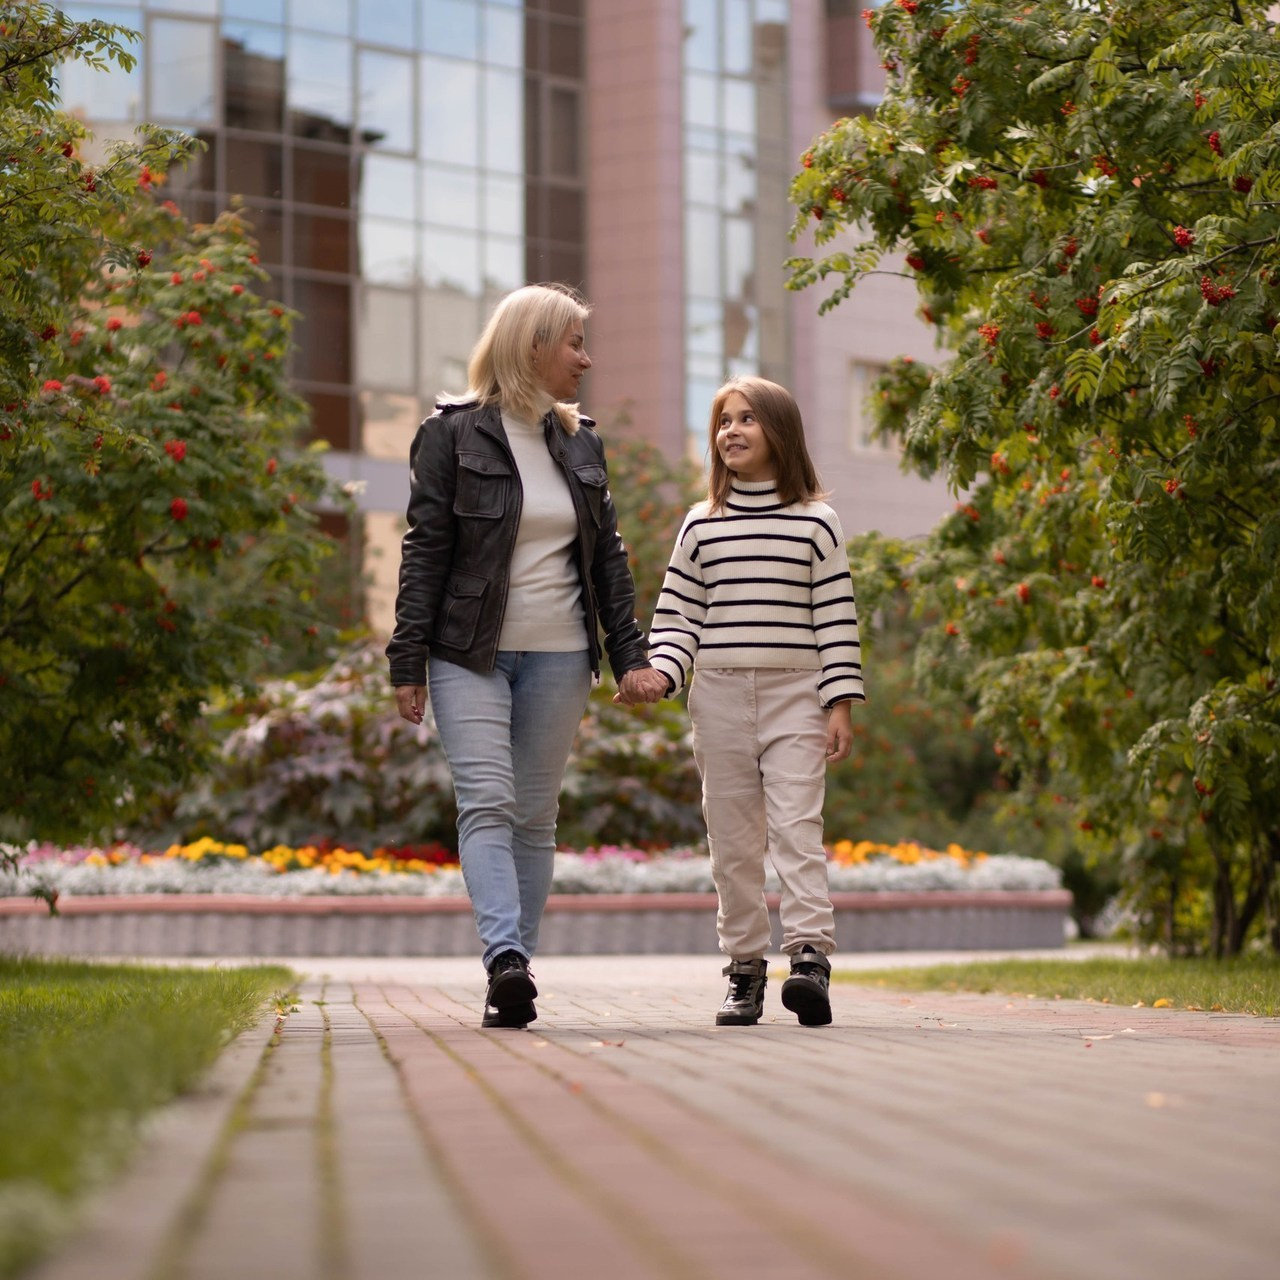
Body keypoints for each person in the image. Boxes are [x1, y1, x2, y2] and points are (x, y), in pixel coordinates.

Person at [386, 283, 667, 1029]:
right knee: (487, 800)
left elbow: (607, 559)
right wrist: (407, 659)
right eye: (574, 342)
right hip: (466, 652)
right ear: (533, 345)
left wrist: (630, 654)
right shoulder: (451, 435)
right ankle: (504, 958)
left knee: (535, 817)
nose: (586, 358)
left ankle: (515, 978)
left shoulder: (581, 441)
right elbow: (425, 551)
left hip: (560, 655)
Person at [623, 376, 865, 1027]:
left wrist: (840, 702)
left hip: (797, 695)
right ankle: (745, 970)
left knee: (796, 831)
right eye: (724, 421)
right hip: (720, 694)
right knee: (732, 842)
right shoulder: (702, 524)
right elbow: (678, 616)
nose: (731, 431)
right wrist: (661, 675)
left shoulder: (816, 523)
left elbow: (835, 617)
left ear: (780, 432)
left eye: (747, 419)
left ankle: (809, 960)